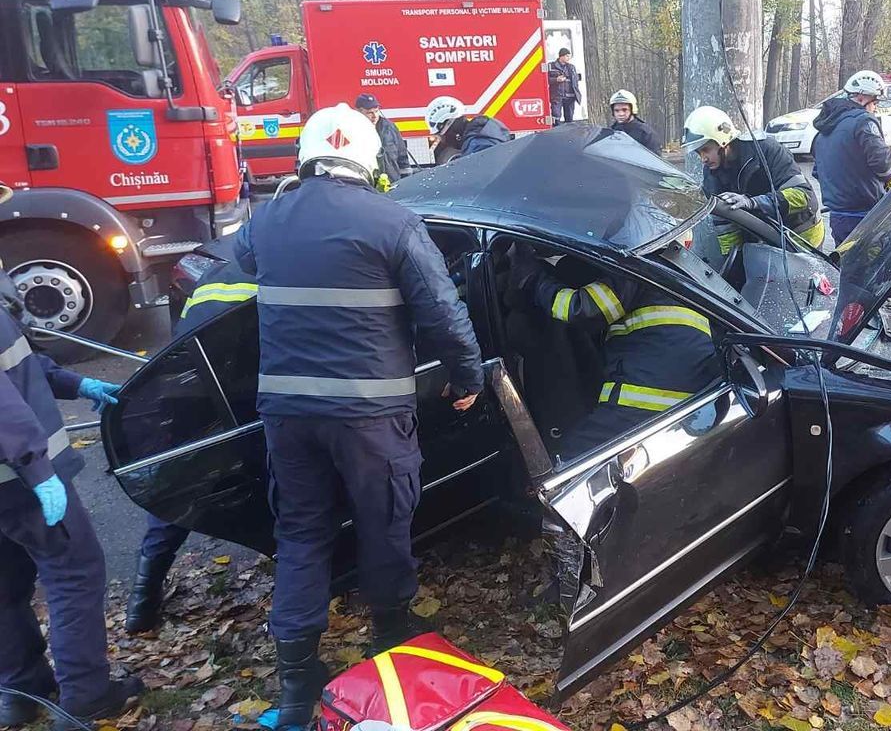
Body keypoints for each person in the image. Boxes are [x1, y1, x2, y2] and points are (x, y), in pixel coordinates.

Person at [233, 103, 485, 729]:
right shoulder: (391, 220)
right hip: (371, 415)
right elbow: (442, 311)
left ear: (306, 156)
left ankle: (296, 687)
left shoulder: (267, 220)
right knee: (384, 523)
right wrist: (467, 375)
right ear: (370, 162)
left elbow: (239, 263)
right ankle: (391, 643)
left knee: (300, 534)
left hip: (289, 416)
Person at [0, 185, 142, 729]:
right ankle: (86, 693)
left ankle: (20, 693)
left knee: (5, 583)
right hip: (19, 478)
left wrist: (76, 382)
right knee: (73, 570)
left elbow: (19, 364)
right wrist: (38, 470)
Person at [122, 258, 258, 634]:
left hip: (182, 388)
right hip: (232, 392)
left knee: (179, 485)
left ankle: (142, 599)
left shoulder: (219, 271)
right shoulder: (286, 272)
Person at [510, 246, 719, 459]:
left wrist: (533, 281)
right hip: (693, 384)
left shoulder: (633, 267)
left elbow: (581, 309)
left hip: (649, 396)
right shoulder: (669, 255)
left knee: (569, 459)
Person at [682, 105, 825, 255]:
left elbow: (803, 196)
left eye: (706, 150)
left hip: (801, 235)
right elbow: (724, 223)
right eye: (699, 153)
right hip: (766, 242)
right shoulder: (712, 173)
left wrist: (754, 202)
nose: (703, 159)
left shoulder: (766, 150)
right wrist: (734, 258)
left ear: (722, 141)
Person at [812, 71, 891, 246]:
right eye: (875, 102)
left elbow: (817, 171)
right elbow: (883, 164)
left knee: (846, 265)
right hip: (865, 214)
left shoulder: (826, 127)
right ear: (862, 98)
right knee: (871, 267)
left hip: (839, 217)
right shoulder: (864, 122)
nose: (875, 108)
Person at [425, 99, 512, 165]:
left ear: (452, 128)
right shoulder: (485, 131)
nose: (444, 141)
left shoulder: (478, 144)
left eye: (442, 136)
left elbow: (479, 176)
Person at [355, 93, 410, 182]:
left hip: (393, 183)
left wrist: (406, 181)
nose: (374, 116)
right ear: (358, 112)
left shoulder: (389, 127)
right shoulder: (352, 130)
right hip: (368, 186)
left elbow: (402, 155)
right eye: (369, 112)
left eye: (376, 111)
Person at [547, 48, 581, 124]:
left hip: (570, 97)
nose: (569, 58)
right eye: (567, 56)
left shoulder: (571, 67)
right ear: (561, 56)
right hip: (557, 96)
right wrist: (556, 80)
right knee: (556, 116)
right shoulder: (551, 66)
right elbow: (545, 80)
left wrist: (577, 94)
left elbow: (575, 81)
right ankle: (556, 133)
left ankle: (568, 134)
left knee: (569, 118)